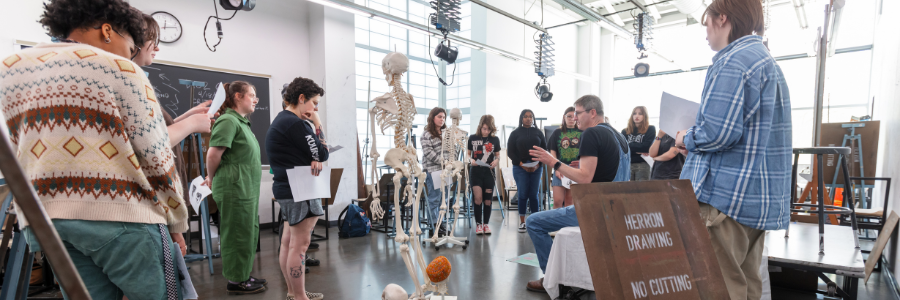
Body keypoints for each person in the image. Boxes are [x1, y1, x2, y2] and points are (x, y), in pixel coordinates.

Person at [1, 0, 187, 298]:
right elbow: (155, 156)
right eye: (130, 47)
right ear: (107, 31)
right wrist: (176, 221)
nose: (131, 55)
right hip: (122, 218)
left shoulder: (8, 69)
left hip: (46, 221)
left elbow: (12, 150)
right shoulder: (121, 70)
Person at [673, 1, 791, 298]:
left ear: (722, 18)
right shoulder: (767, 63)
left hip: (723, 201)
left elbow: (717, 133)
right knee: (748, 284)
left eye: (707, 23)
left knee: (717, 288)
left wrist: (686, 138)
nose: (706, 34)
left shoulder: (732, 61)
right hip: (753, 201)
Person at [526, 95, 630, 293]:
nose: (575, 118)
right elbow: (607, 170)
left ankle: (553, 280)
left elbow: (584, 178)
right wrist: (577, 166)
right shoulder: (620, 137)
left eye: (578, 113)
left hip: (595, 210)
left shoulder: (590, 134)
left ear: (592, 113)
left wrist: (553, 162)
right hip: (617, 210)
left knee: (533, 222)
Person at [267, 77, 328, 300]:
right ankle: (300, 296)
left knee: (289, 243)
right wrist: (318, 124)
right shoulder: (296, 123)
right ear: (301, 99)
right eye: (314, 103)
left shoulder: (282, 121)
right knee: (300, 247)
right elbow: (322, 153)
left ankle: (294, 293)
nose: (315, 108)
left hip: (288, 189)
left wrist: (314, 156)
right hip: (299, 190)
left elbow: (312, 155)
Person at [203, 81, 266, 294]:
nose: (256, 100)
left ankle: (243, 274)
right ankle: (236, 281)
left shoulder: (241, 122)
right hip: (234, 188)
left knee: (247, 231)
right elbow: (213, 154)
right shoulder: (229, 120)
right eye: (252, 95)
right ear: (238, 96)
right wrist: (210, 179)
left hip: (245, 188)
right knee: (237, 233)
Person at [507, 109, 546, 233]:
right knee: (523, 194)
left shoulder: (539, 133)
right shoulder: (515, 133)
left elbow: (544, 150)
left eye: (531, 116)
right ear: (521, 118)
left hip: (537, 167)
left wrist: (538, 164)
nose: (528, 118)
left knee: (534, 195)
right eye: (526, 116)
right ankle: (523, 222)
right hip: (520, 167)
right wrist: (521, 164)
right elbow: (510, 152)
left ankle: (535, 222)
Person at [420, 107, 453, 236]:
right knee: (434, 199)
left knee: (444, 200)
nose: (442, 119)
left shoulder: (447, 134)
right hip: (433, 170)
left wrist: (450, 162)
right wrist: (443, 162)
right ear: (432, 118)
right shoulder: (426, 134)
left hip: (446, 171)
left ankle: (442, 224)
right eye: (439, 116)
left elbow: (453, 149)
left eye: (444, 117)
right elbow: (428, 153)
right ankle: (434, 226)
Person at [467, 115, 501, 235]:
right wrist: (470, 160)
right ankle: (478, 224)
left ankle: (486, 224)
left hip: (489, 172)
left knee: (487, 201)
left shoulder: (495, 139)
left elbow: (497, 156)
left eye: (489, 129)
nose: (486, 131)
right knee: (478, 199)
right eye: (484, 128)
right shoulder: (472, 138)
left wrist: (496, 161)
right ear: (480, 126)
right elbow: (468, 155)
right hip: (476, 172)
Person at [547, 107, 582, 208]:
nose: (571, 118)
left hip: (575, 169)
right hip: (560, 168)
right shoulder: (557, 133)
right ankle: (555, 223)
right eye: (569, 116)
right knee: (557, 201)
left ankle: (567, 224)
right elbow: (552, 151)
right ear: (564, 117)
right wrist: (556, 168)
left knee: (570, 201)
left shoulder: (582, 132)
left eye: (574, 116)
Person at [622, 106, 656, 181]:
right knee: (627, 191)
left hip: (643, 164)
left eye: (640, 113)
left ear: (645, 116)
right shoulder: (625, 131)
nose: (637, 116)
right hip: (628, 165)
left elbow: (647, 147)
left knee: (642, 191)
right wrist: (638, 149)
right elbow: (623, 148)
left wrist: (629, 146)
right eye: (634, 113)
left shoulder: (650, 129)